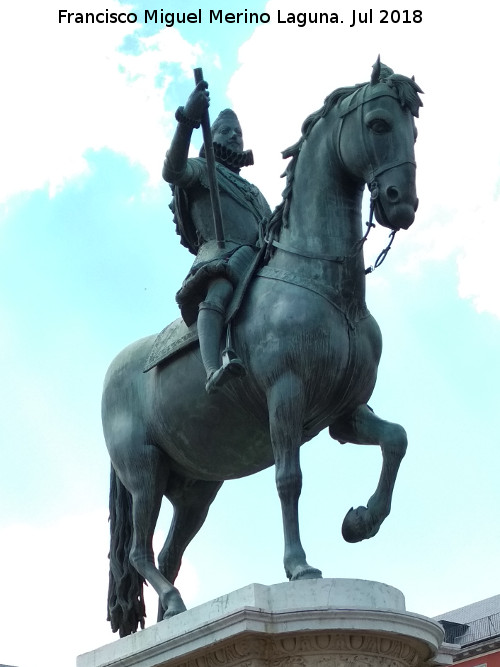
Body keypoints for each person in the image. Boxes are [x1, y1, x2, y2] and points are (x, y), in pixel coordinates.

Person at [163, 80, 272, 394]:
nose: (235, 137)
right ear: (211, 137)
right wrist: (187, 120)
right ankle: (213, 367)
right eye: (226, 132)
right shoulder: (200, 168)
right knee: (221, 287)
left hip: (261, 258)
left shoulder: (254, 191)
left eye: (239, 134)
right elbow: (173, 169)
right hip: (223, 255)